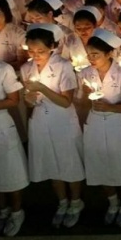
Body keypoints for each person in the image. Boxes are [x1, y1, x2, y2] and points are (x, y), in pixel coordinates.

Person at [21, 24, 84, 228]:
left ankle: (76, 201)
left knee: (69, 162)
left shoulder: (63, 66)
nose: (35, 55)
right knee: (50, 162)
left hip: (62, 121)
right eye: (31, 50)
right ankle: (62, 202)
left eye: (40, 51)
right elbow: (28, 98)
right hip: (40, 120)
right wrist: (30, 99)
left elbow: (66, 102)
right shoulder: (26, 68)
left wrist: (42, 88)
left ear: (52, 47)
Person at [77, 29, 121, 227]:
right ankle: (112, 202)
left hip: (118, 124)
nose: (91, 58)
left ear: (109, 53)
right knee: (100, 162)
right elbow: (83, 106)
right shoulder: (85, 74)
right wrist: (86, 96)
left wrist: (110, 107)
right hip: (94, 123)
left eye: (96, 54)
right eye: (89, 54)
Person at [0, 28, 28, 237]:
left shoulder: (1, 69)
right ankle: (3, 211)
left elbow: (13, 99)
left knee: (9, 170)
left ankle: (16, 211)